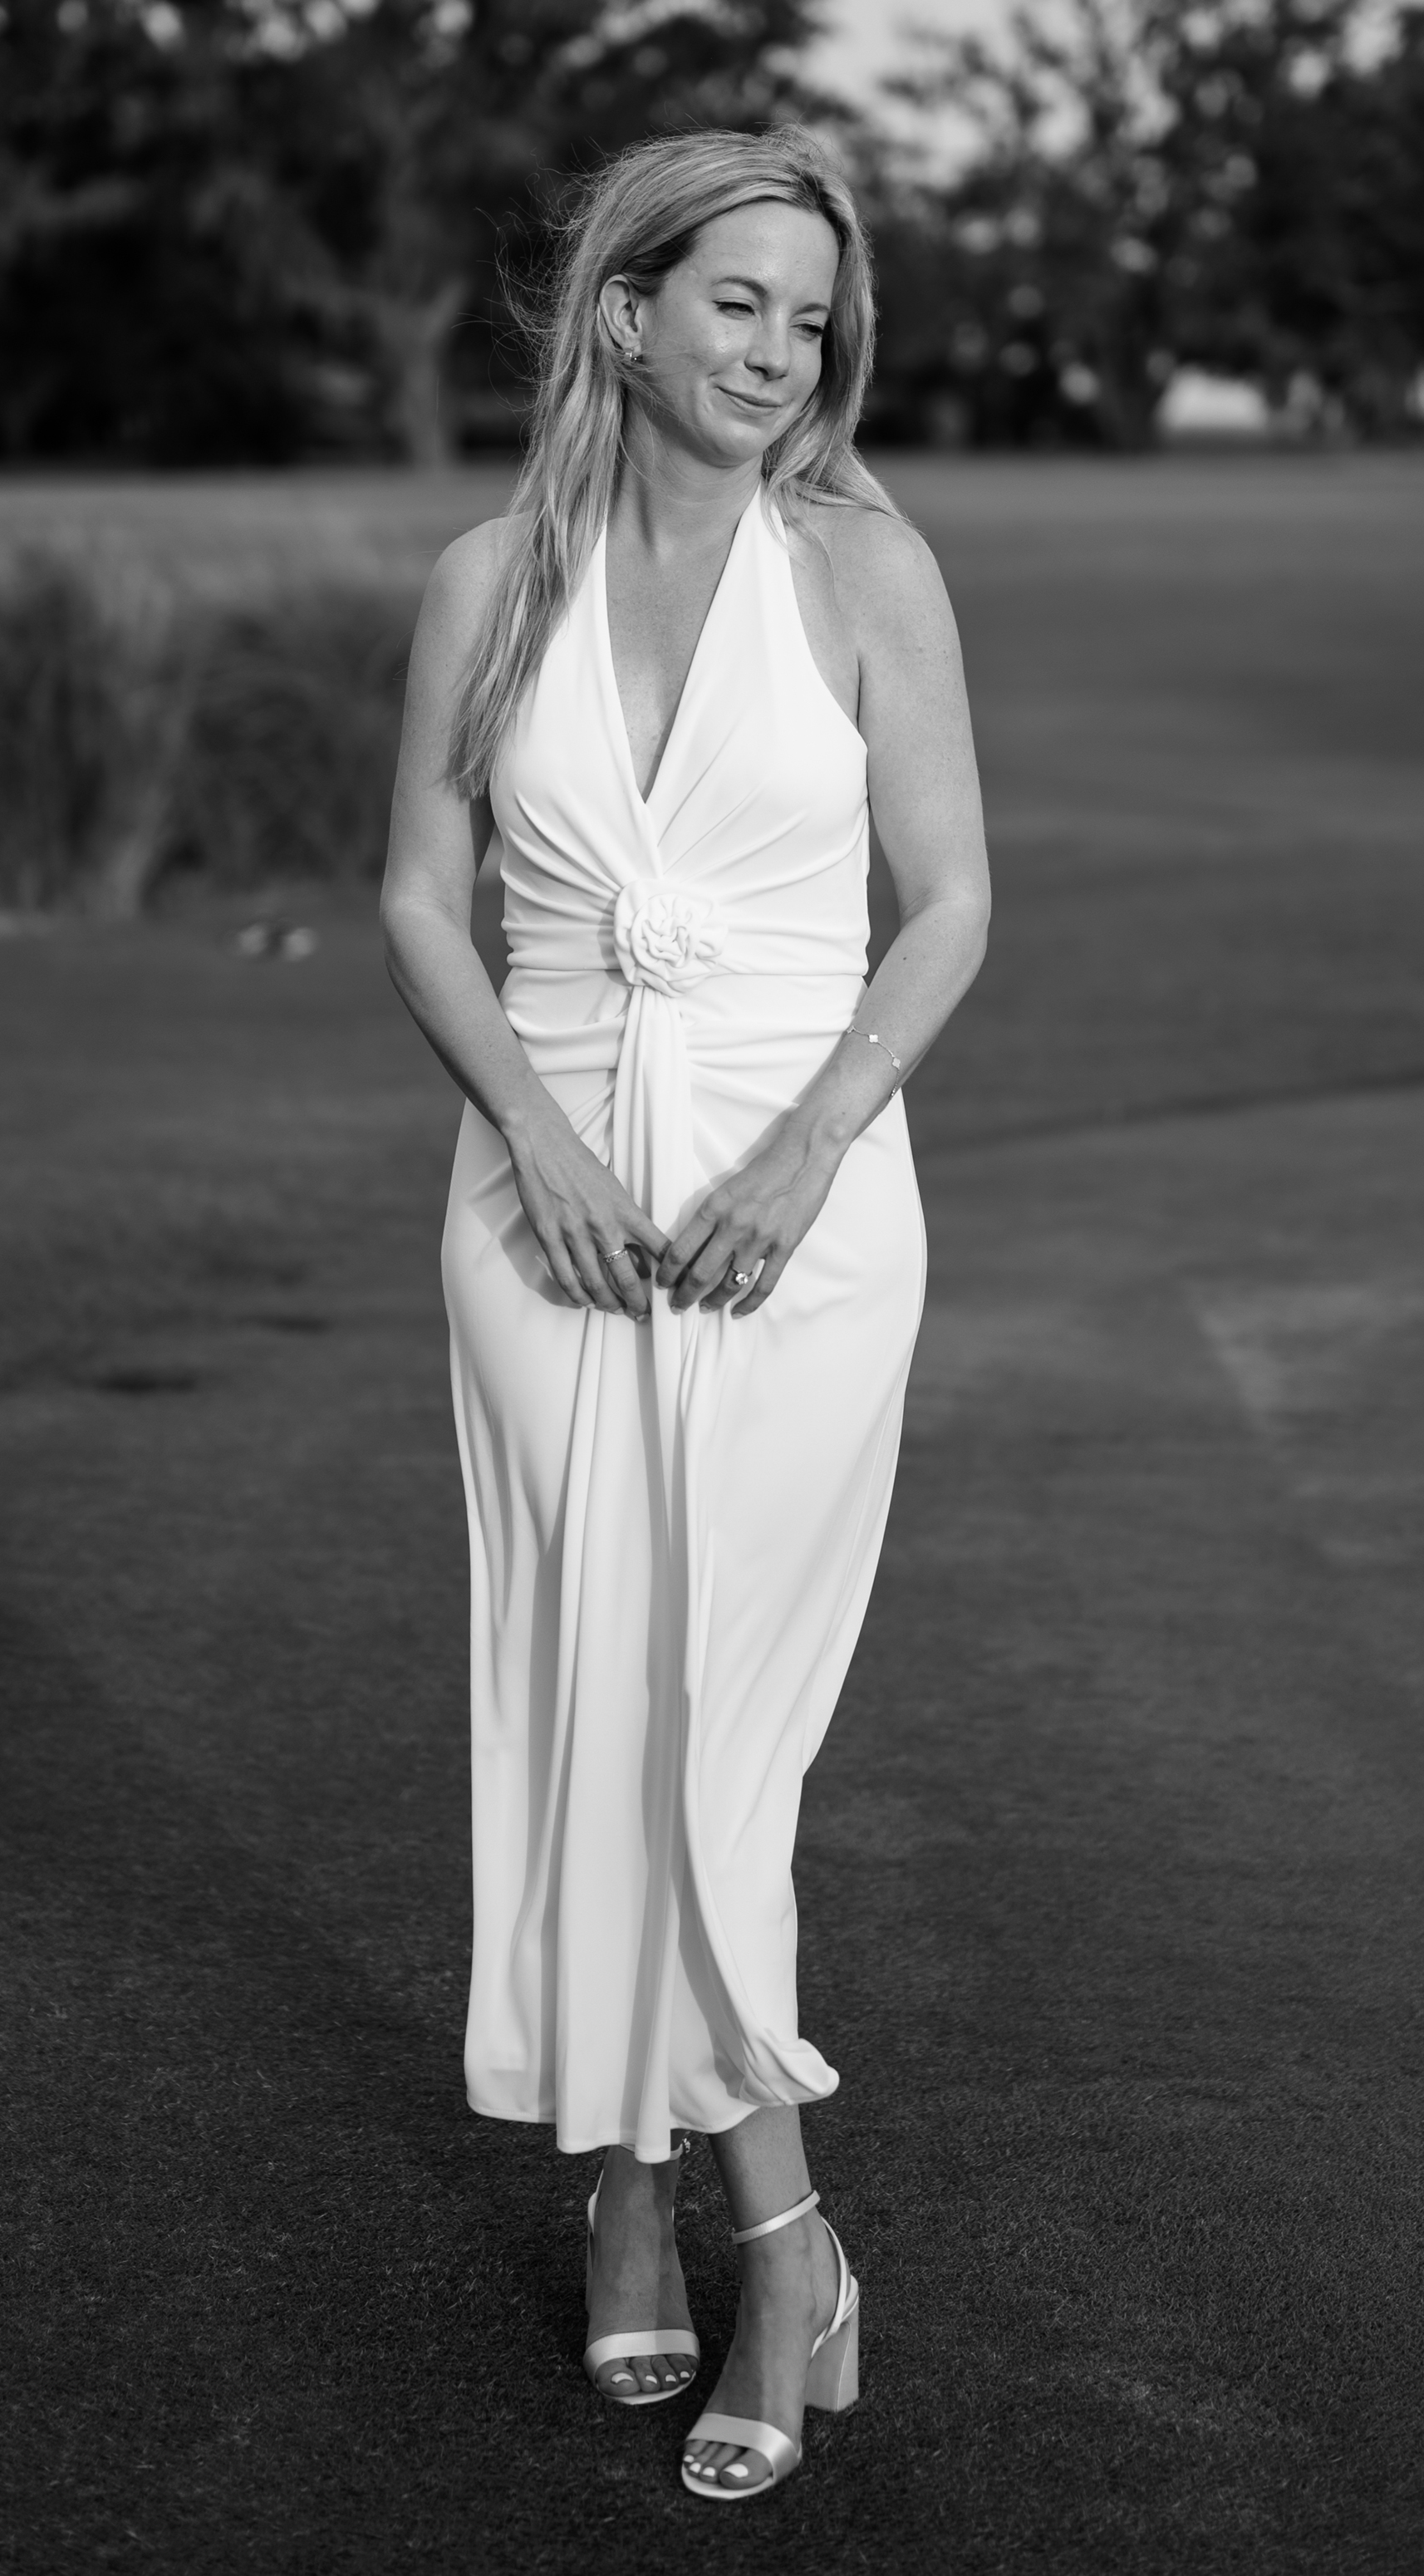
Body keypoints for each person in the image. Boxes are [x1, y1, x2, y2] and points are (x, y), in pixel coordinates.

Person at [382, 125, 990, 2505]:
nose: (780, 351)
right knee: (586, 1709)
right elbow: (419, 897)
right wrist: (532, 1138)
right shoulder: (487, 581)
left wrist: (813, 1142)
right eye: (736, 300)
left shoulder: (863, 566)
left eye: (812, 318)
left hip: (796, 1214)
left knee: (712, 1739)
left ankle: (779, 2243)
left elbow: (949, 904)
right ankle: (637, 2195)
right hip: (537, 1216)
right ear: (623, 312)